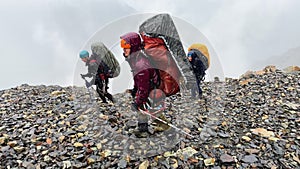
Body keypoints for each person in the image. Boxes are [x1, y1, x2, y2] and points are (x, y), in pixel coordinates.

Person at [120, 32, 159, 136]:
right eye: (122, 46)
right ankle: (147, 126)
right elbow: (139, 80)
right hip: (147, 86)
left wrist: (137, 102)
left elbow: (144, 88)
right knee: (144, 105)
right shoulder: (135, 58)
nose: (123, 49)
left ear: (133, 46)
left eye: (126, 46)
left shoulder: (140, 64)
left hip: (151, 88)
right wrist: (135, 89)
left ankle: (143, 129)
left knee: (142, 106)